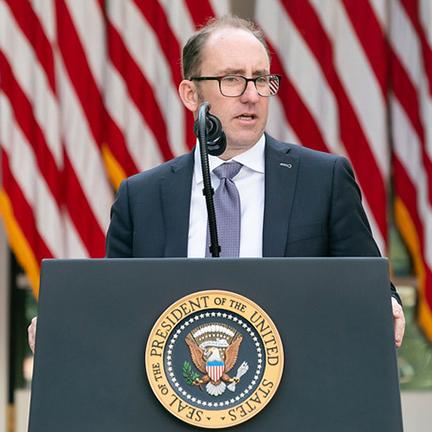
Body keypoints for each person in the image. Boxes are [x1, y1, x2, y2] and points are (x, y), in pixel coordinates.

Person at [28, 15, 405, 351]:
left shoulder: (323, 180)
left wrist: (386, 304)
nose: (252, 95)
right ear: (190, 94)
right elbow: (115, 304)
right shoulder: (141, 197)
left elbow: (367, 284)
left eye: (261, 79)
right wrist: (66, 322)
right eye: (232, 79)